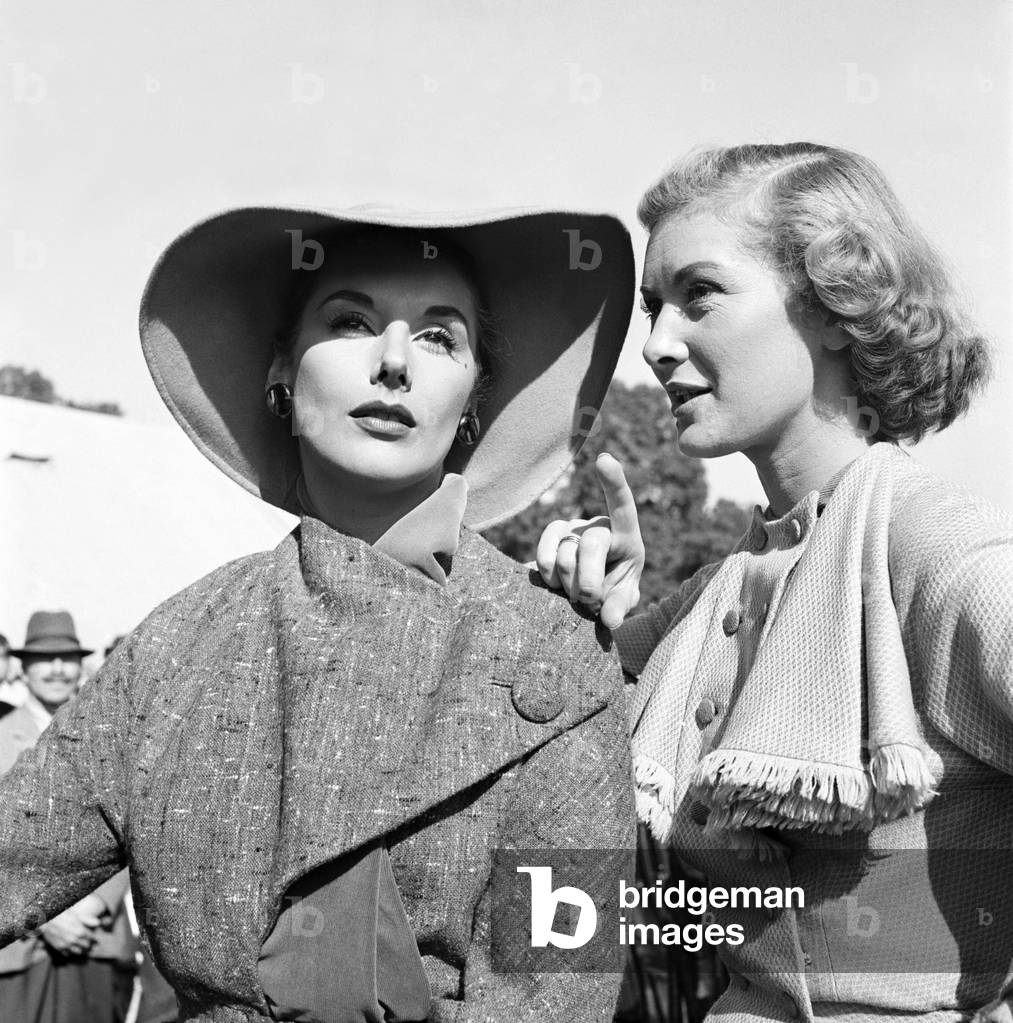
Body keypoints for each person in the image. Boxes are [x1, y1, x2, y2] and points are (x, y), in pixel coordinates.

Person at [0, 204, 638, 1022]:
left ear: (473, 401)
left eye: (440, 336)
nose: (396, 363)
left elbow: (558, 998)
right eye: (351, 320)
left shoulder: (555, 664)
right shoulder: (176, 646)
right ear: (280, 369)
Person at [538, 144, 1013, 1021]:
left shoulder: (938, 549)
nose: (656, 344)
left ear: (836, 302)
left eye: (699, 295)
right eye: (651, 306)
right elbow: (558, 879)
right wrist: (592, 627)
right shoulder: (707, 598)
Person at [0, 610, 138, 1023]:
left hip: (94, 938)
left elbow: (134, 832)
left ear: (82, 667)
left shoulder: (113, 739)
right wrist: (42, 918)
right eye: (45, 658)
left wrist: (95, 901)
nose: (57, 669)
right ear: (23, 667)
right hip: (19, 948)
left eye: (68, 658)